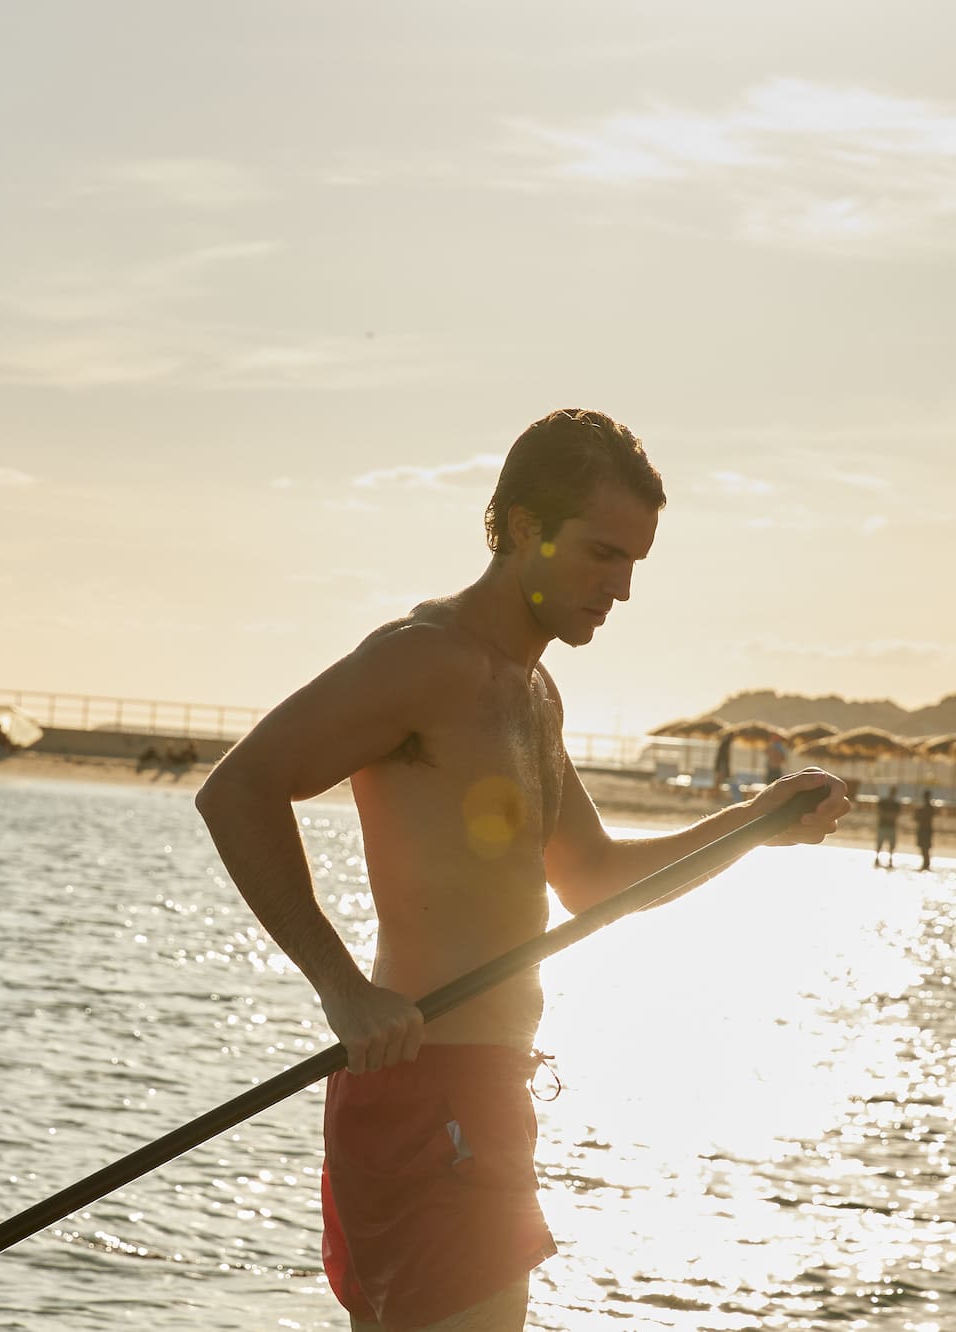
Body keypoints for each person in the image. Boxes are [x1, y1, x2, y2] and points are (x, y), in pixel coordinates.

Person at [194, 409, 850, 1332]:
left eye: (635, 563)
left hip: (483, 1089)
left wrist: (747, 827)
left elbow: (591, 880)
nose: (620, 588)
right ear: (525, 528)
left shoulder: (532, 691)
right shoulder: (426, 661)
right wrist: (342, 989)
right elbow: (238, 791)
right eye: (600, 554)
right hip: (428, 1088)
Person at [874, 785, 899, 868]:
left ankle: (889, 859)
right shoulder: (884, 802)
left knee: (891, 844)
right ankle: (878, 858)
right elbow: (881, 813)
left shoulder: (896, 804)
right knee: (880, 843)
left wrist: (886, 815)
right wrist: (889, 815)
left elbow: (893, 816)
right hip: (884, 826)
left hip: (889, 826)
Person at [914, 788, 936, 871]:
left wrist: (918, 813)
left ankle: (926, 864)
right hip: (924, 830)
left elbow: (920, 818)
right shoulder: (927, 808)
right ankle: (925, 864)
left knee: (925, 848)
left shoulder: (928, 808)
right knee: (924, 848)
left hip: (925, 830)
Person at [712, 730, 736, 802]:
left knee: (718, 781)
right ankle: (716, 795)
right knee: (719, 780)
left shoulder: (724, 741)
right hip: (722, 764)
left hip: (720, 763)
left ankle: (717, 794)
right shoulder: (727, 742)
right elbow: (725, 755)